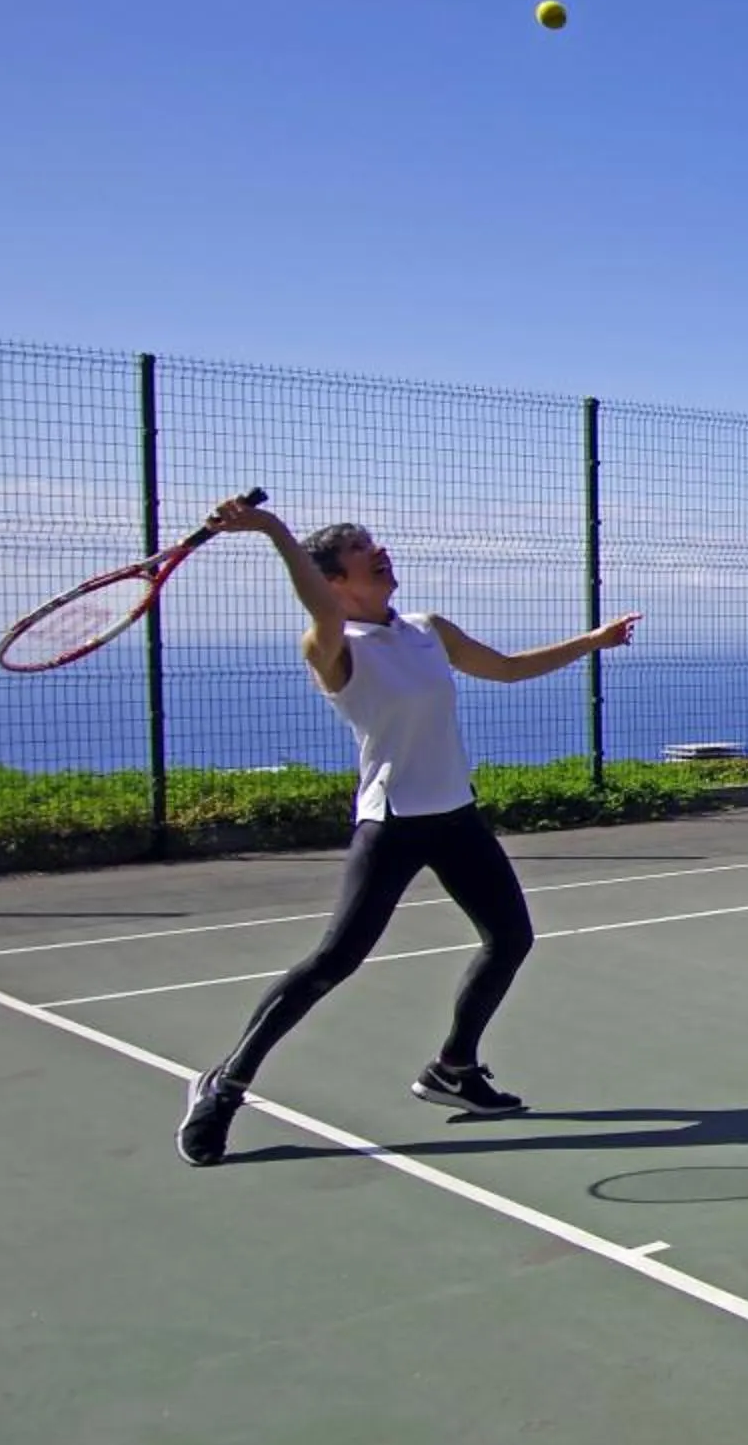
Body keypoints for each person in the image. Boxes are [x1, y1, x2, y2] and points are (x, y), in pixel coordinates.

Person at [174, 495, 640, 1167]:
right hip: (392, 824)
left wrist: (591, 643)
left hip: (456, 816)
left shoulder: (427, 629)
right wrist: (274, 530)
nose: (379, 551)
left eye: (375, 542)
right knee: (334, 961)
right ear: (334, 578)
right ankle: (225, 1085)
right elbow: (318, 609)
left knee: (510, 938)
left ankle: (454, 1067)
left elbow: (506, 669)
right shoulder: (332, 645)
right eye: (363, 550)